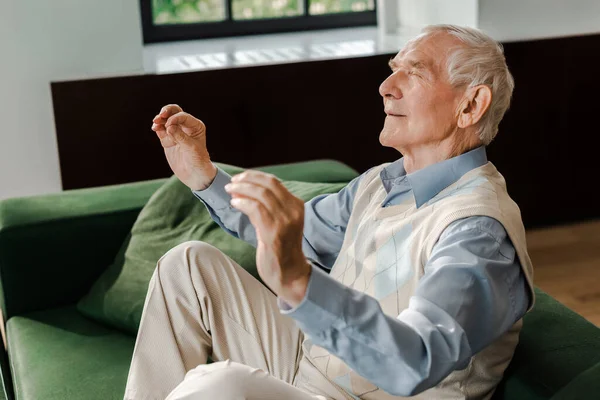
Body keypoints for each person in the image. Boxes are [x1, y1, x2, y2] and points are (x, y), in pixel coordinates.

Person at [124, 24, 534, 400]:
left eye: (416, 73)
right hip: (314, 370)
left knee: (218, 386)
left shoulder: (477, 230)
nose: (386, 86)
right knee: (189, 265)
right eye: (394, 70)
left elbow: (417, 360)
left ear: (470, 106)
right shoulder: (381, 183)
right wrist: (204, 176)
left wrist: (298, 281)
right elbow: (293, 232)